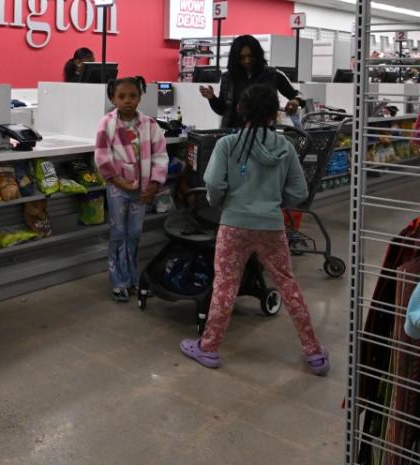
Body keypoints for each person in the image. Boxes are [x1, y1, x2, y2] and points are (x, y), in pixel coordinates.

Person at [181, 84, 329, 375]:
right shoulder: (285, 147)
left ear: (240, 109)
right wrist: (273, 203)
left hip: (233, 224)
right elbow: (299, 191)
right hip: (271, 226)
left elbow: (213, 183)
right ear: (274, 113)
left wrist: (221, 202)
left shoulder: (228, 145)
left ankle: (208, 348)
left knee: (225, 284)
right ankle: (314, 353)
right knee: (287, 283)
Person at [94, 76, 168, 302]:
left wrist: (154, 185)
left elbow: (160, 155)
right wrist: (119, 182)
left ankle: (132, 276)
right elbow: (102, 157)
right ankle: (118, 280)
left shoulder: (150, 125)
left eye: (133, 96)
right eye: (121, 96)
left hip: (143, 190)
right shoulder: (106, 124)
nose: (127, 101)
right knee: (118, 233)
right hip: (118, 188)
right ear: (112, 98)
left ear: (140, 97)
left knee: (135, 233)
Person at [199, 34, 305, 129]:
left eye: (251, 56)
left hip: (264, 135)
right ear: (235, 58)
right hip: (232, 134)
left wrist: (296, 101)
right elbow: (223, 110)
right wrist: (212, 98)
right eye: (242, 57)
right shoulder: (228, 77)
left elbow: (299, 95)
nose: (247, 60)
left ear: (257, 54)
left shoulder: (273, 74)